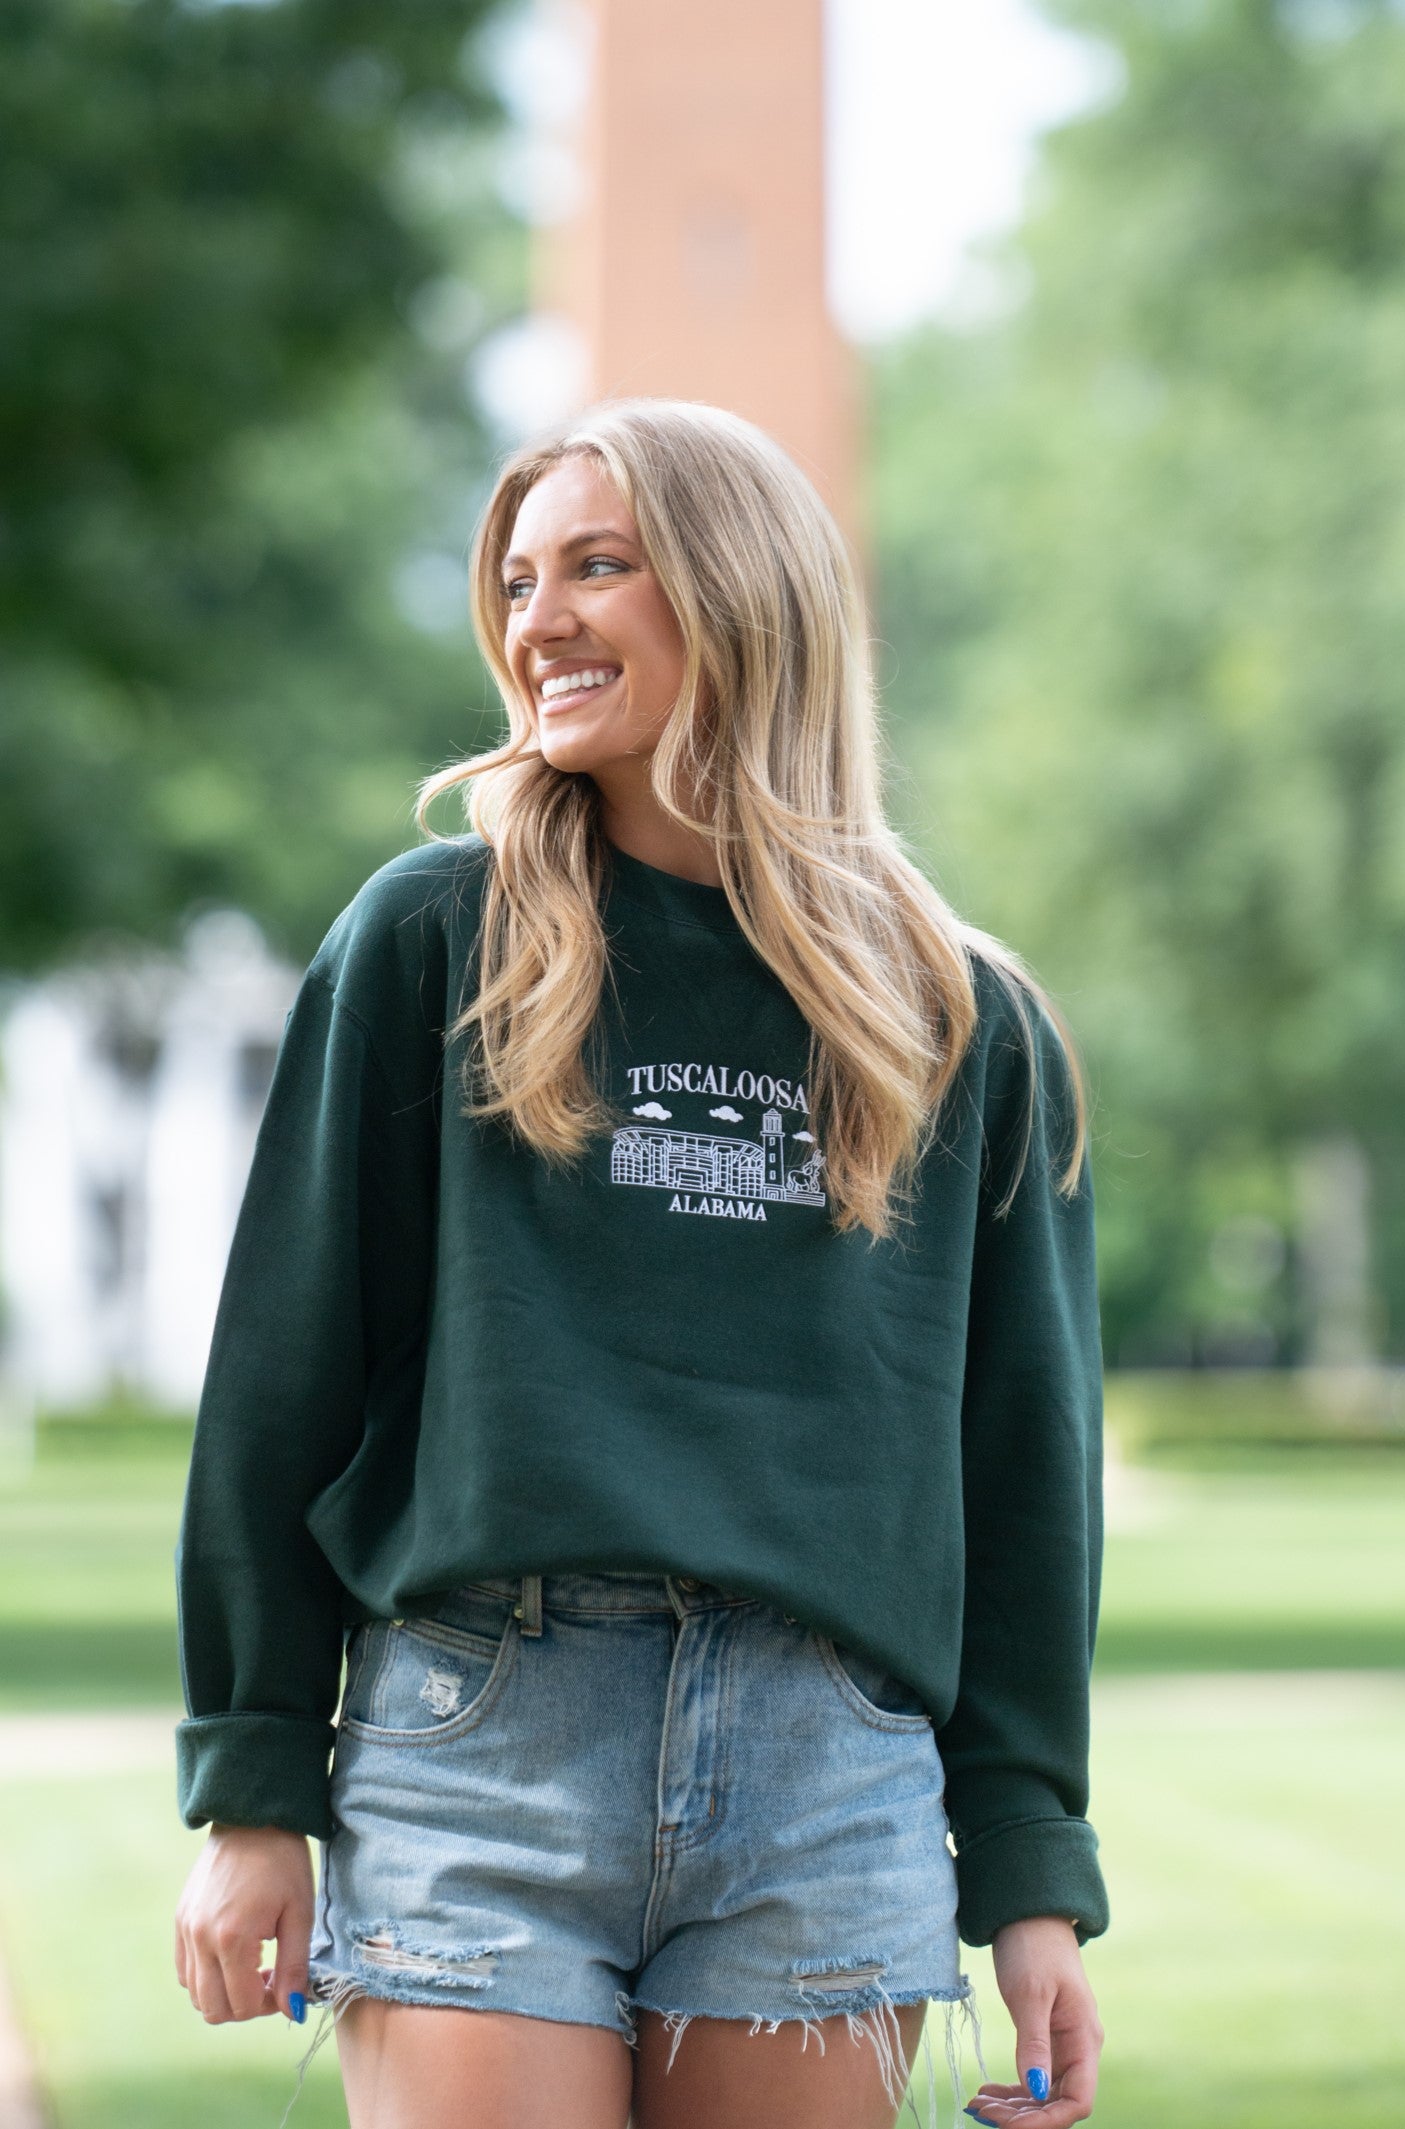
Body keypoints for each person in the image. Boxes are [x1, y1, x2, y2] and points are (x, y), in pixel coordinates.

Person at [171, 397, 1108, 2129]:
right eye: (519, 580)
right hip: (483, 1736)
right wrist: (253, 1785)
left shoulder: (962, 1017)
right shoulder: (430, 938)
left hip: (829, 1769)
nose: (537, 619)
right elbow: (279, 1379)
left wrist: (1032, 1869)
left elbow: (1023, 1469)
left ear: (745, 597)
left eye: (598, 566)